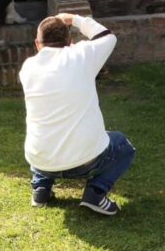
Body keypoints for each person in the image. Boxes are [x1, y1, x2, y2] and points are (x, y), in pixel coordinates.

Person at [20, 13, 135, 216]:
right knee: (123, 146)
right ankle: (96, 193)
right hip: (85, 160)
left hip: (40, 159)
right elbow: (108, 36)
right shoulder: (81, 56)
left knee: (48, 131)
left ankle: (41, 189)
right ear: (70, 42)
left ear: (37, 44)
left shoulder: (27, 68)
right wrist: (74, 19)